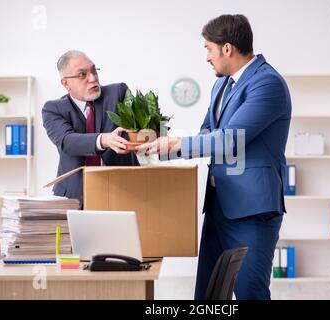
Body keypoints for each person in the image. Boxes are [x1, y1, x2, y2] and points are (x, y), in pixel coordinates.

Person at [137, 15, 291, 300]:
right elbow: (208, 133)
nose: (207, 57)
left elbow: (230, 139)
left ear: (227, 48)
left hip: (252, 211)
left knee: (250, 293)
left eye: (208, 48)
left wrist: (174, 145)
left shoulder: (267, 84)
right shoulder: (222, 85)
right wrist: (158, 144)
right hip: (219, 206)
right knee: (207, 295)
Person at [42, 50, 138, 207]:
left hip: (125, 190)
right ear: (66, 83)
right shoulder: (53, 109)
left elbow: (140, 127)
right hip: (75, 197)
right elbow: (67, 142)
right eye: (82, 74)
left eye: (94, 71)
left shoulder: (118, 93)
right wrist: (104, 139)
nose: (93, 78)